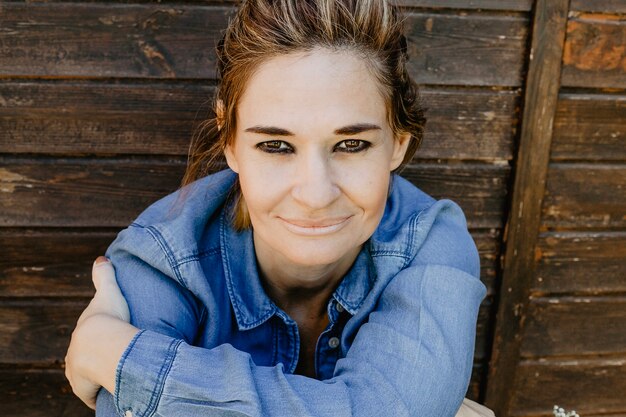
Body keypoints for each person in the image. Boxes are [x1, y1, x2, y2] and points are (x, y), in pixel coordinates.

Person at [65, 0, 493, 416]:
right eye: (276, 146)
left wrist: (125, 359)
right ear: (230, 140)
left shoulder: (430, 242)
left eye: (351, 145)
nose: (315, 194)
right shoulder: (161, 258)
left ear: (398, 143)